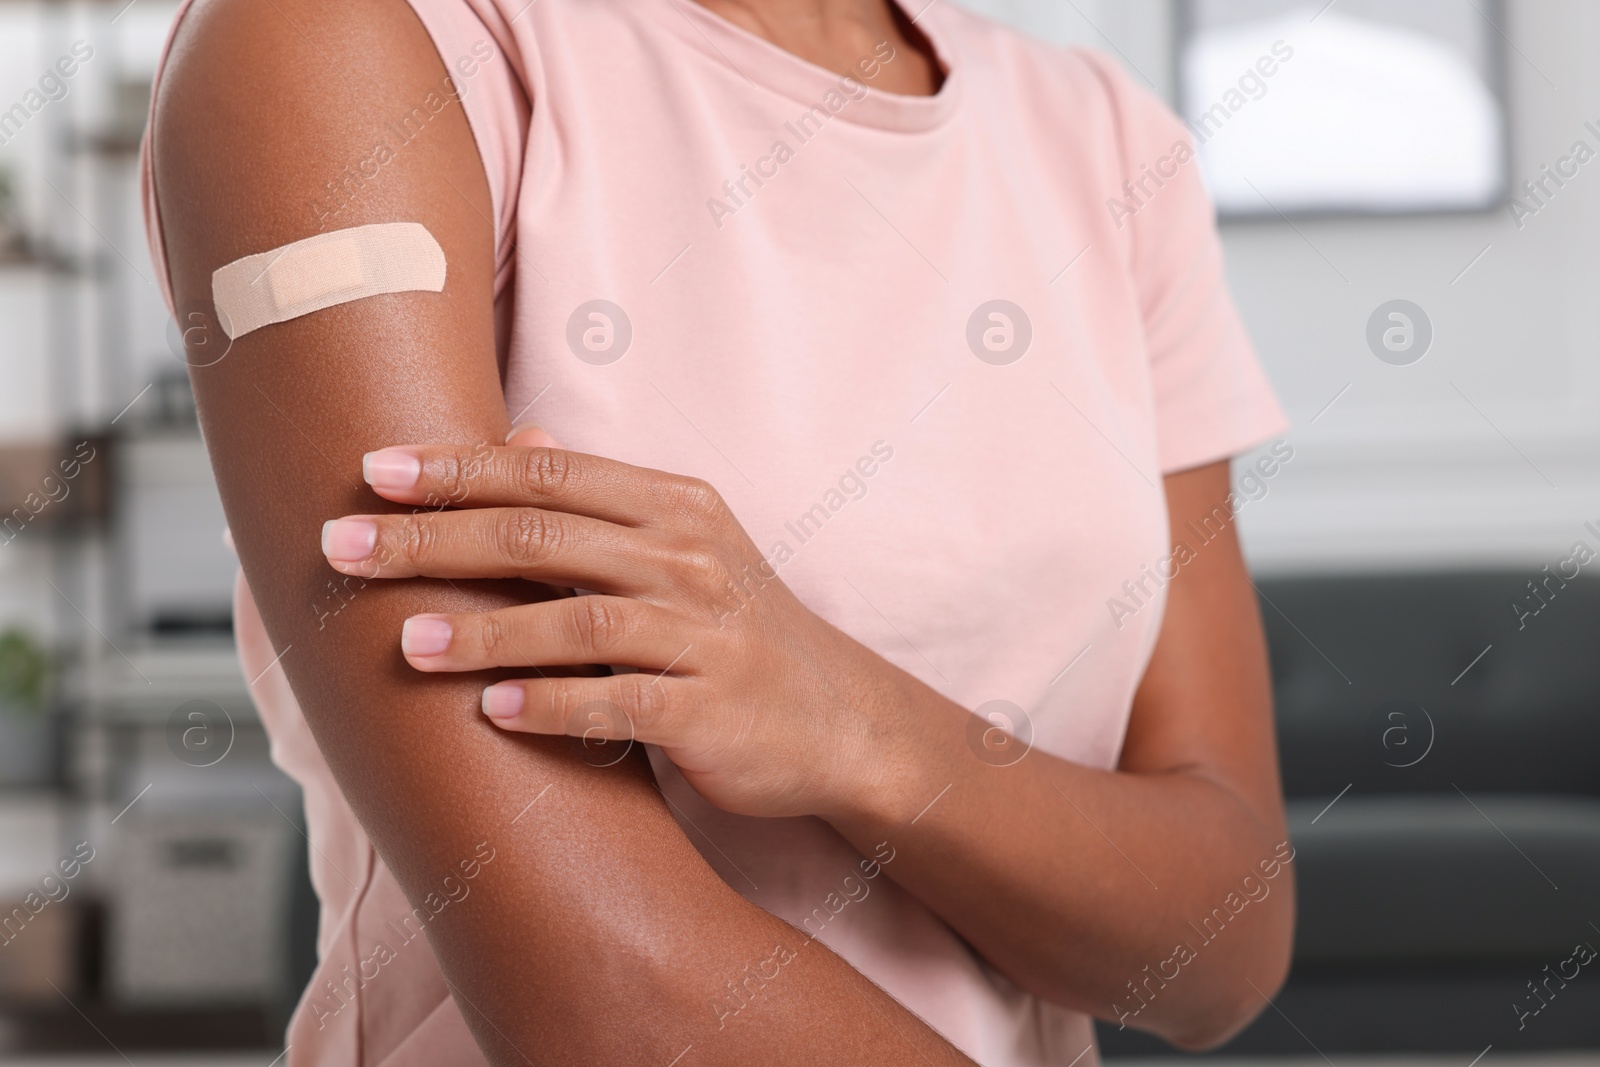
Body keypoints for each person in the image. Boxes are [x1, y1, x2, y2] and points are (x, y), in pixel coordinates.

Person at [142, 0, 1294, 1063]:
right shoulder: (345, 39)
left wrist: (861, 733)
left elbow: (1223, 947)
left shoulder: (1100, 140)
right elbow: (602, 984)